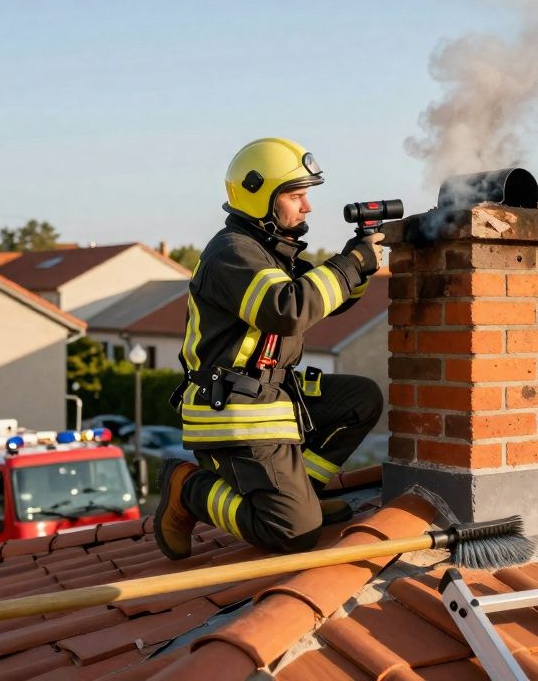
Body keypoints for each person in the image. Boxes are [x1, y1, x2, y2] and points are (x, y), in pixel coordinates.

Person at [154, 137, 385, 558]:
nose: (307, 207)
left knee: (361, 398)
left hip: (271, 397)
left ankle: (303, 496)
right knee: (294, 534)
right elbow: (288, 308)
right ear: (260, 196)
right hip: (236, 411)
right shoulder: (233, 253)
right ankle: (186, 489)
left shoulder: (270, 252)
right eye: (296, 195)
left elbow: (321, 298)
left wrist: (363, 262)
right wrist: (351, 264)